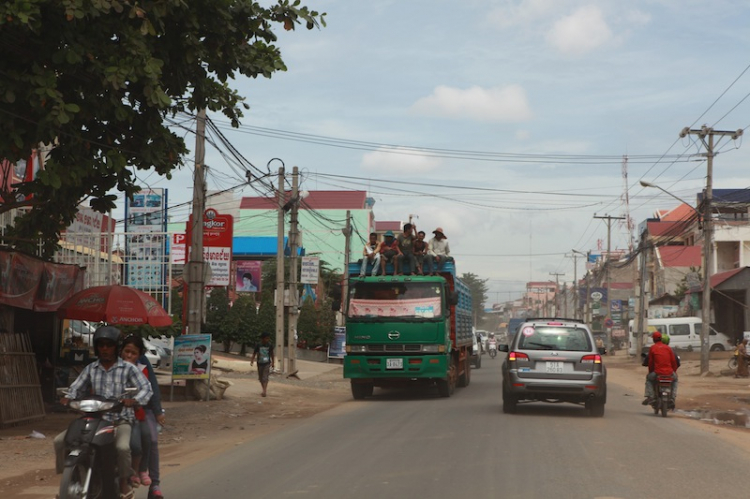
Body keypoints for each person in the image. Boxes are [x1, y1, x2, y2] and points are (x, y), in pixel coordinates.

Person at [54, 325, 153, 499]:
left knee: (122, 448)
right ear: (96, 347)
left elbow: (147, 388)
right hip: (93, 419)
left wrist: (134, 400)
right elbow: (75, 388)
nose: (105, 349)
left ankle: (124, 483)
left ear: (117, 347)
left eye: (109, 345)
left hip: (119, 420)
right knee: (59, 441)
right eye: (101, 345)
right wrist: (67, 397)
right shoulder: (91, 368)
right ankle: (69, 479)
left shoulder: (128, 369)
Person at [120, 335, 153, 488]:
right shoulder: (112, 368)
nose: (129, 356)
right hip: (109, 413)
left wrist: (136, 401)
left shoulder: (141, 370)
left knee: (142, 441)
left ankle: (137, 470)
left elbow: (148, 390)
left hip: (135, 415)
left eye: (133, 353)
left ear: (139, 355)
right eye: (126, 352)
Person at [642, 331, 678, 406]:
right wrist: (673, 371)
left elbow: (651, 362)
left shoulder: (653, 348)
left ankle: (651, 396)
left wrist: (651, 371)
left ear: (653, 339)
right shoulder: (668, 348)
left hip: (657, 372)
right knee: (675, 380)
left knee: (649, 379)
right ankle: (673, 397)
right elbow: (673, 361)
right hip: (669, 372)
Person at [250, 332, 275, 397]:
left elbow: (272, 354)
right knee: (261, 378)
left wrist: (273, 362)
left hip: (267, 363)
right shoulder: (258, 345)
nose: (267, 340)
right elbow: (254, 353)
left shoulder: (269, 345)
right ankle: (263, 389)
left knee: (265, 377)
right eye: (266, 338)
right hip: (260, 363)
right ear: (262, 339)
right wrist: (252, 360)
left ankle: (264, 391)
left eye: (268, 338)